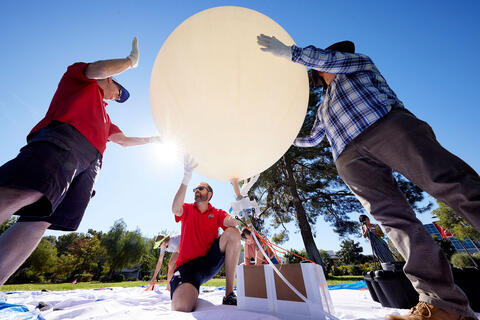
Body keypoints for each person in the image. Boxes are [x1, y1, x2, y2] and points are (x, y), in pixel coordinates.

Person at [257, 34, 480, 320]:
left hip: (385, 127)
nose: (322, 66)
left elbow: (327, 59)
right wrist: (282, 138)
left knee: (449, 181)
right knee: (395, 222)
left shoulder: (357, 64)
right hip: (350, 159)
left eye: (322, 62)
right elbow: (313, 138)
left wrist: (291, 53)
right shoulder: (324, 106)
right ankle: (444, 306)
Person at [0, 37, 161, 287]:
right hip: (63, 141)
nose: (118, 97)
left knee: (40, 221)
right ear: (110, 80)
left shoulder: (106, 117)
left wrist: (154, 140)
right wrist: (129, 62)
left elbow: (125, 141)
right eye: (119, 92)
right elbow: (97, 68)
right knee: (22, 192)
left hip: (88, 166)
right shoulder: (78, 80)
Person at [170, 155, 241, 312]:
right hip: (187, 266)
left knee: (234, 233)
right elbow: (175, 209)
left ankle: (229, 294)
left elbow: (230, 222)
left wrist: (237, 214)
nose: (196, 190)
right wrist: (186, 179)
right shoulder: (187, 208)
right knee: (182, 306)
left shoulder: (216, 212)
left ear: (209, 194)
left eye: (200, 188)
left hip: (209, 262)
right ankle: (186, 289)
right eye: (195, 189)